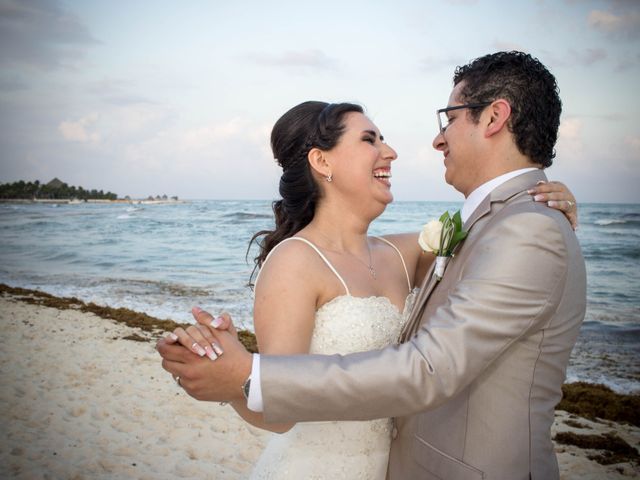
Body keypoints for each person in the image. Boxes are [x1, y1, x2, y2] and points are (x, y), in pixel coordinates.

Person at [158, 51, 585, 480]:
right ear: (322, 162)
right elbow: (279, 412)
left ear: (495, 118)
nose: (393, 152)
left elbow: (493, 248)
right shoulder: (294, 262)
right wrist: (239, 382)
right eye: (370, 140)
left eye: (447, 120)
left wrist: (541, 196)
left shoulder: (415, 250)